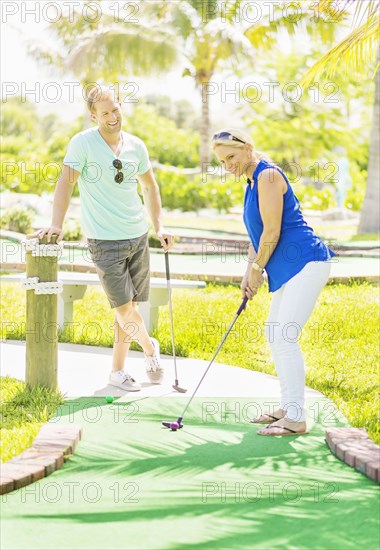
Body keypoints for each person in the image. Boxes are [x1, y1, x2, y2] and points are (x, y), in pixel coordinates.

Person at [35, 85, 174, 392]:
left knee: (129, 308)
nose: (113, 117)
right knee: (124, 309)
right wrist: (56, 224)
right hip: (104, 240)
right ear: (93, 115)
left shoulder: (136, 145)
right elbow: (65, 183)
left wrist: (159, 227)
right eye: (105, 112)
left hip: (137, 236)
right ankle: (150, 349)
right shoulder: (83, 143)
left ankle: (118, 371)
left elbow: (150, 188)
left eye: (116, 109)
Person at [212, 129, 335, 436]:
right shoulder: (251, 182)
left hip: (307, 262)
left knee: (284, 336)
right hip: (291, 268)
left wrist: (257, 269)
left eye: (231, 157)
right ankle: (288, 406)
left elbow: (273, 233)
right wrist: (248, 273)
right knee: (275, 333)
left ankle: (296, 418)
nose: (227, 165)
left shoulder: (267, 176)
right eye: (222, 161)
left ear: (248, 148)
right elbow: (258, 235)